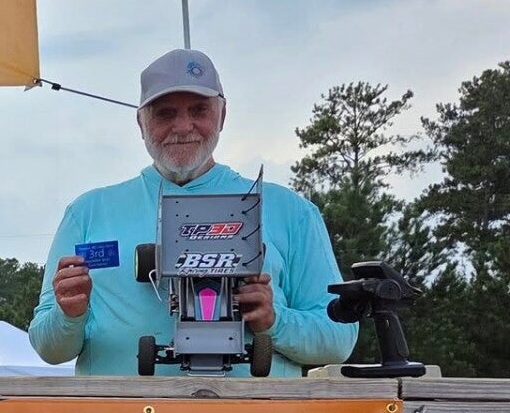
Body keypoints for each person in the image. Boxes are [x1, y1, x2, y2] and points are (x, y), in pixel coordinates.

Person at [29, 49, 355, 376]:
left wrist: (275, 321)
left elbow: (339, 337)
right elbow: (48, 346)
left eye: (199, 110)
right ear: (141, 122)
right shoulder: (88, 213)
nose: (183, 126)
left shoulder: (290, 211)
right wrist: (68, 315)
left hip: (254, 411)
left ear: (222, 114)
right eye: (165, 114)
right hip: (125, 409)